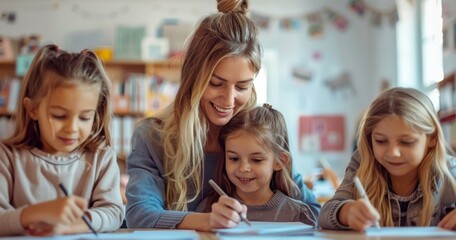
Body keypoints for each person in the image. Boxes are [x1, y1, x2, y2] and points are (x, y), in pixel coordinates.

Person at [125, 0, 320, 231]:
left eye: (242, 87)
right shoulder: (152, 136)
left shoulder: (258, 134)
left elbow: (312, 210)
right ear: (193, 77)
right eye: (216, 83)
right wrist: (207, 221)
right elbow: (139, 214)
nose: (228, 100)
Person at [0, 44, 124, 236]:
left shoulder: (101, 157)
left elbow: (114, 212)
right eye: (59, 115)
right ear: (32, 109)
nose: (72, 129)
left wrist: (72, 226)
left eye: (84, 118)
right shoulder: (7, 156)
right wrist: (35, 213)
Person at [318, 87, 456, 231]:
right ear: (370, 138)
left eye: (406, 142)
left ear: (432, 138)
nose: (393, 153)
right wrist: (347, 212)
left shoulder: (450, 171)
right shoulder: (364, 162)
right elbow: (325, 214)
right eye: (381, 141)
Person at [197, 104, 317, 227]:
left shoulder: (298, 214)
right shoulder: (210, 209)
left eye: (256, 160)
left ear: (279, 161)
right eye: (234, 158)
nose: (243, 168)